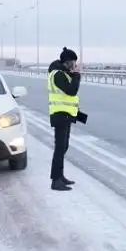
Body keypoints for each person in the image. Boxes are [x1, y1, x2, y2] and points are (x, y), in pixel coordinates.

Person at [47, 47, 81, 191]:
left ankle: (60, 176)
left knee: (63, 147)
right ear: (67, 62)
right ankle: (56, 180)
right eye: (73, 62)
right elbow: (71, 91)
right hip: (60, 115)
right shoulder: (58, 75)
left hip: (66, 115)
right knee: (60, 148)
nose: (75, 65)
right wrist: (77, 75)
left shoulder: (64, 73)